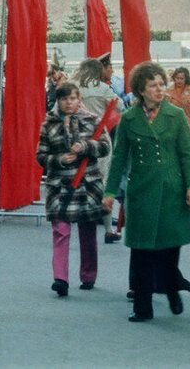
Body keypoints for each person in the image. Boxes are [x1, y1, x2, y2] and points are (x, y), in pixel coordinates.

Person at [102, 61, 190, 323]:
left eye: (161, 84)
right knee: (142, 251)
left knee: (169, 251)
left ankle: (171, 290)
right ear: (140, 90)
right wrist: (110, 192)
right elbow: (119, 159)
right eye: (153, 85)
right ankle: (143, 307)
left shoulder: (176, 115)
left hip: (172, 191)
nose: (159, 90)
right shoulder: (129, 119)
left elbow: (187, 154)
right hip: (141, 192)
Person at [37, 81, 111, 296]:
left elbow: (105, 146)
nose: (68, 103)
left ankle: (88, 275)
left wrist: (86, 146)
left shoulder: (92, 120)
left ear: (79, 99)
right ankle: (60, 278)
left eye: (72, 98)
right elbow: (40, 155)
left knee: (88, 233)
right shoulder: (48, 124)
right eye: (64, 99)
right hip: (60, 185)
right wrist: (59, 159)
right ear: (58, 101)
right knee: (60, 231)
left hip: (87, 185)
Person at [74, 57, 122, 242]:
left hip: (77, 137)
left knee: (79, 181)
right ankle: (109, 229)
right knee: (103, 183)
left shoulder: (73, 86)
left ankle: (82, 224)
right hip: (99, 137)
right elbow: (120, 105)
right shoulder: (102, 88)